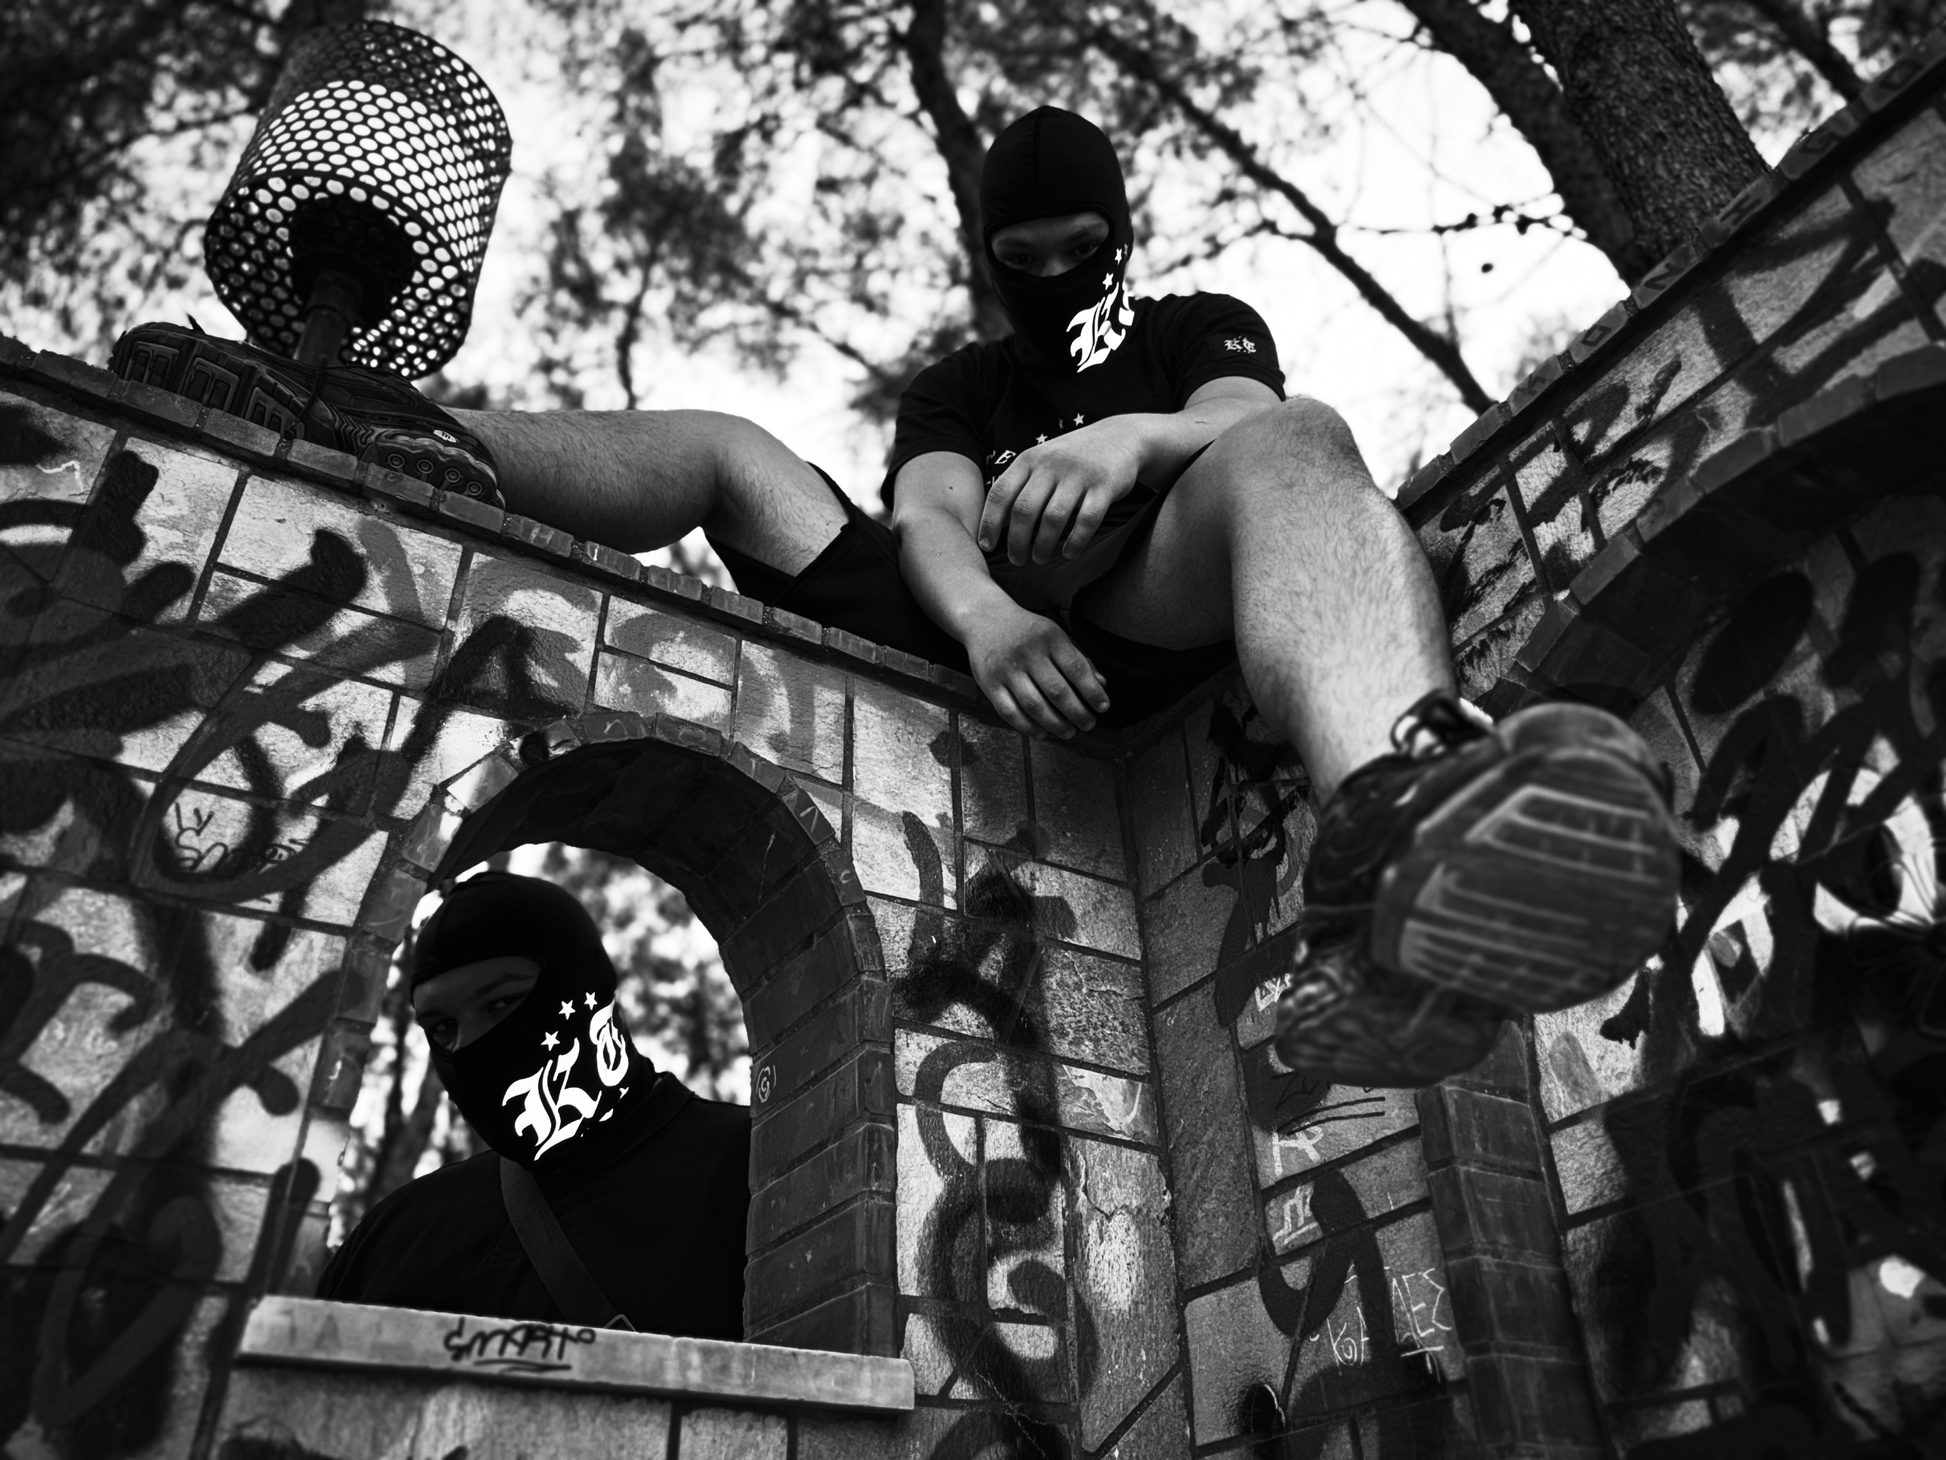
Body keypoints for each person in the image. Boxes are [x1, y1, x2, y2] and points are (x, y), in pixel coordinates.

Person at [110, 108, 1678, 1088]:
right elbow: (925, 515)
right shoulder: (961, 383)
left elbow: (1243, 428)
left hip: (1144, 601)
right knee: (731, 449)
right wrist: (988, 618)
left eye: (1081, 250)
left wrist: (1120, 442)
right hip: (959, 609)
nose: (1052, 275)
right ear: (989, 257)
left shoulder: (1192, 325)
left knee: (1296, 440)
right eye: (1021, 254)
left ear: (1121, 243)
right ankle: (381, 424)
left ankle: (1404, 845)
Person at [316, 873, 750, 1339]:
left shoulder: (756, 1169)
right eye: (442, 1026)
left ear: (584, 984)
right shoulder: (391, 1238)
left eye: (501, 1003)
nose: (470, 1045)